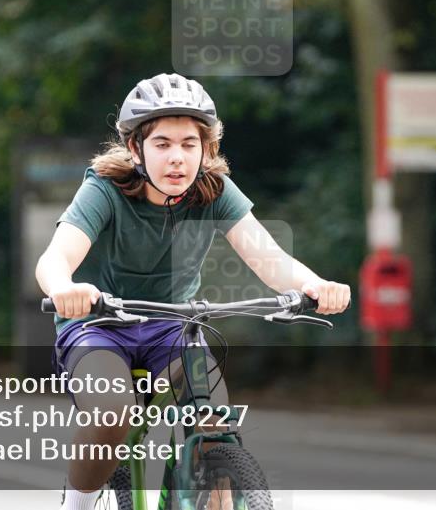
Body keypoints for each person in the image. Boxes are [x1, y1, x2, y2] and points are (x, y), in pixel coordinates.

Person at [35, 73, 351, 510]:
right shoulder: (104, 190)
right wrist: (65, 288)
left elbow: (271, 260)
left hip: (175, 329)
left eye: (189, 144)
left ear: (206, 149)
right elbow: (53, 259)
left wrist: (313, 284)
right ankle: (78, 505)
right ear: (135, 149)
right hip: (100, 325)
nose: (177, 158)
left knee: (215, 426)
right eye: (162, 144)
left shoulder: (214, 191)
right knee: (112, 410)